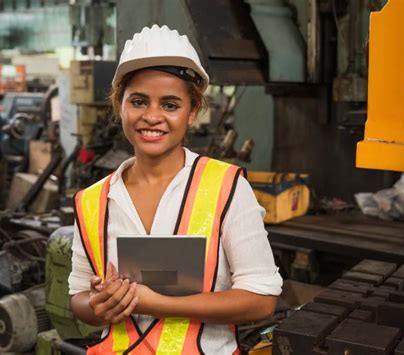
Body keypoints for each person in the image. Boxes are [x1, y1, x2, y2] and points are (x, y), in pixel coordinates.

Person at [68, 24, 282, 355]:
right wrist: (99, 304)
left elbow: (261, 300)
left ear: (192, 111)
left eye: (170, 105)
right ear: (119, 105)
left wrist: (158, 303)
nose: (152, 116)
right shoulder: (93, 201)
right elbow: (78, 297)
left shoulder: (226, 187)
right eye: (138, 101)